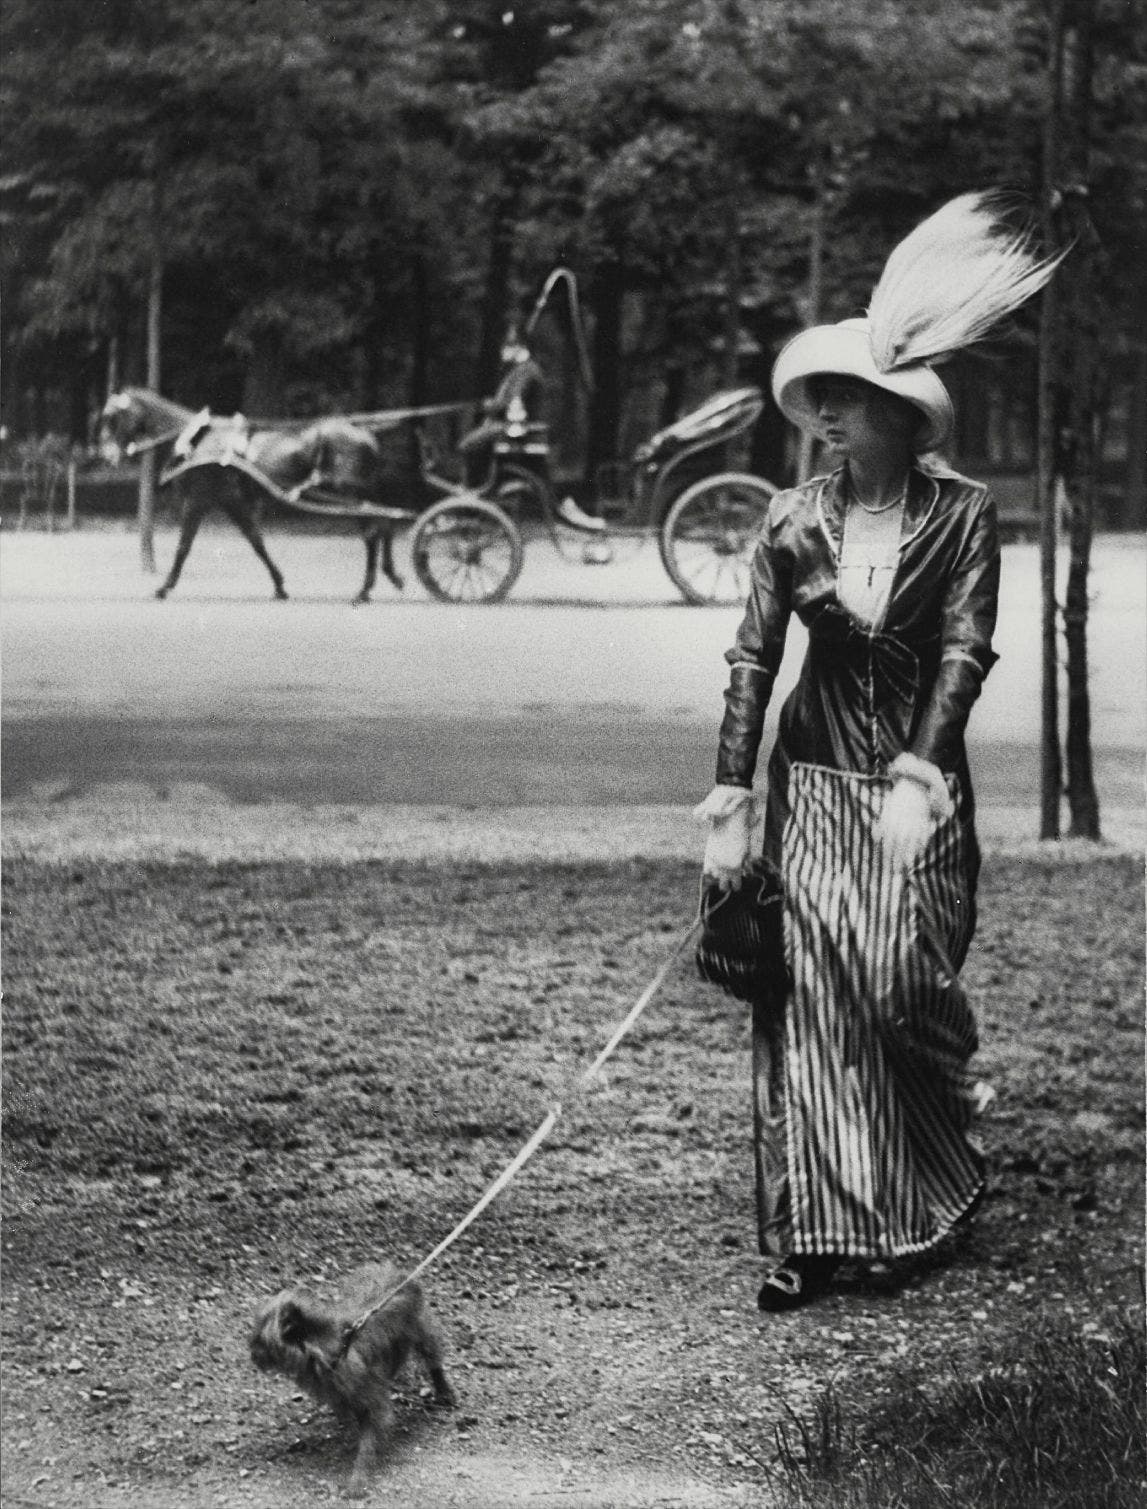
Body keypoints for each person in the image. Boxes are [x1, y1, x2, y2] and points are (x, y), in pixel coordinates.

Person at [695, 193, 1060, 1312]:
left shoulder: (962, 514)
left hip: (914, 792)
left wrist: (921, 771)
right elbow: (753, 657)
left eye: (846, 401)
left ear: (901, 413)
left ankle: (936, 1154)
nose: (826, 419)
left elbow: (964, 648)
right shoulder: (789, 519)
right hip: (809, 785)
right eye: (820, 402)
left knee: (900, 985)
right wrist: (729, 795)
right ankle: (817, 1235)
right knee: (812, 1005)